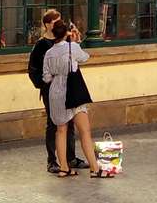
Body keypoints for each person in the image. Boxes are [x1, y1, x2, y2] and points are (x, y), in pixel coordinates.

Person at [42, 19, 102, 177]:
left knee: (60, 131)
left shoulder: (49, 53)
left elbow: (46, 78)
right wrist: (76, 41)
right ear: (67, 32)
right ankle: (95, 168)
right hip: (72, 91)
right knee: (84, 131)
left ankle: (63, 168)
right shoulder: (72, 47)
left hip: (56, 93)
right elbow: (85, 57)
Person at [28, 9, 84, 174]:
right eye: (55, 22)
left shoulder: (66, 41)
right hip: (51, 89)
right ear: (47, 25)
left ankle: (70, 157)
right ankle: (52, 160)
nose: (58, 24)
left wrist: (76, 42)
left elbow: (76, 59)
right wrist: (45, 84)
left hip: (68, 86)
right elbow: (33, 70)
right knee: (54, 124)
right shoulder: (41, 45)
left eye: (60, 21)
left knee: (70, 122)